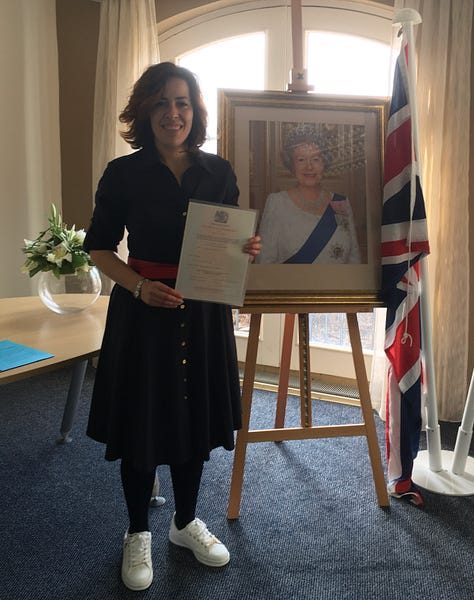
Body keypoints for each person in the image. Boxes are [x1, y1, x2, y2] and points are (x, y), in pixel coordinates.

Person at [83, 62, 261, 592]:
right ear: (145, 112)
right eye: (161, 103)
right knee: (142, 424)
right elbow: (98, 248)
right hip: (142, 312)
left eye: (182, 102)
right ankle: (137, 530)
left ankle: (184, 523)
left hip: (202, 312)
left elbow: (226, 240)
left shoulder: (219, 171)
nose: (172, 113)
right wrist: (138, 286)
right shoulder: (122, 173)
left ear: (195, 110)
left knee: (193, 420)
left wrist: (244, 248)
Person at [255, 125, 361, 264]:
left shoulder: (341, 203)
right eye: (301, 160)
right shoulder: (277, 203)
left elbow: (354, 259)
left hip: (337, 285)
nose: (309, 166)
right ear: (291, 165)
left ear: (325, 163)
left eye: (316, 159)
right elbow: (264, 262)